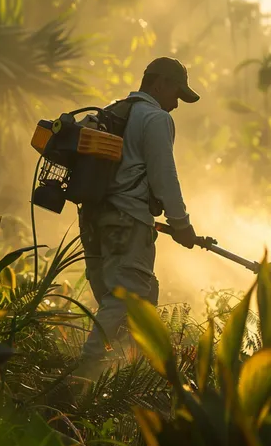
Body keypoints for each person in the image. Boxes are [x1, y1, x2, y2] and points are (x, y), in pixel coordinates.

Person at [75, 57, 200, 376]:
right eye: (176, 94)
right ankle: (80, 375)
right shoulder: (155, 118)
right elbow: (164, 178)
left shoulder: (116, 111)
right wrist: (182, 225)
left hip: (96, 220)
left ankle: (135, 375)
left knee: (140, 296)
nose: (176, 104)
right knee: (124, 296)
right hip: (128, 223)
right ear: (159, 84)